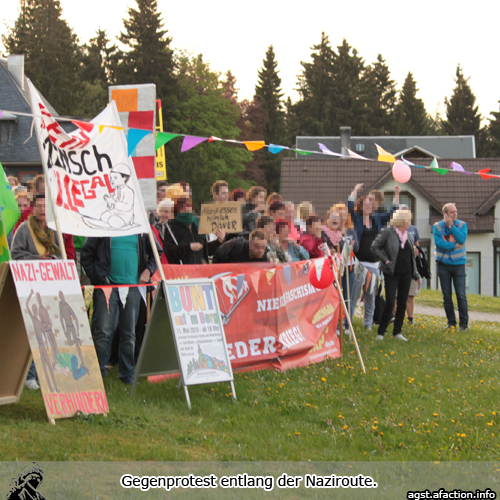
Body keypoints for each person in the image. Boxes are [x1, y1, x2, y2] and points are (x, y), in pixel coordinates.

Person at [81, 232, 161, 384]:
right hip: (107, 288)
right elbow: (86, 254)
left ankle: (127, 376)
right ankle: (97, 375)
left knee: (129, 334)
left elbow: (157, 252)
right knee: (103, 332)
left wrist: (148, 270)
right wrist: (99, 279)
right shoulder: (104, 226)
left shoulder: (140, 227)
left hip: (133, 288)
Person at [348, 183, 400, 330]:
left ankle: (368, 324)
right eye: (365, 204)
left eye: (370, 205)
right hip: (358, 263)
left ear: (373, 207)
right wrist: (355, 191)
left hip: (373, 265)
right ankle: (348, 324)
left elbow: (392, 213)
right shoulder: (357, 218)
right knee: (355, 295)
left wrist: (396, 195)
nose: (368, 207)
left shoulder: (377, 219)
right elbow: (349, 206)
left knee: (370, 297)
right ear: (362, 206)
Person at [371, 209, 421, 341]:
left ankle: (397, 331)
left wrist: (416, 274)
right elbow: (374, 247)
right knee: (390, 302)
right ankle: (381, 332)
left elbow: (412, 258)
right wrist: (386, 260)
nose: (409, 223)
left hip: (407, 272)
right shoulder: (388, 232)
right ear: (401, 221)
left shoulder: (409, 236)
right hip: (391, 272)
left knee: (403, 302)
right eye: (408, 220)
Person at [433, 203, 469, 331]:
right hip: (443, 265)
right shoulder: (437, 227)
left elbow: (461, 239)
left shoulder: (462, 225)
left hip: (459, 265)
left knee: (461, 295)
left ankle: (464, 324)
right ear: (445, 214)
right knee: (447, 296)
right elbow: (439, 243)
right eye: (452, 212)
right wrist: (453, 246)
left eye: (456, 211)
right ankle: (451, 323)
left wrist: (451, 226)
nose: (455, 214)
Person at [163, 196, 223, 264]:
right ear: (177, 209)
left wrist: (218, 241)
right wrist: (189, 247)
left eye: (188, 205)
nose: (186, 208)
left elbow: (206, 250)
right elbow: (169, 251)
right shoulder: (171, 226)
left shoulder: (198, 224)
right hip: (181, 272)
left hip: (200, 271)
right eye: (182, 205)